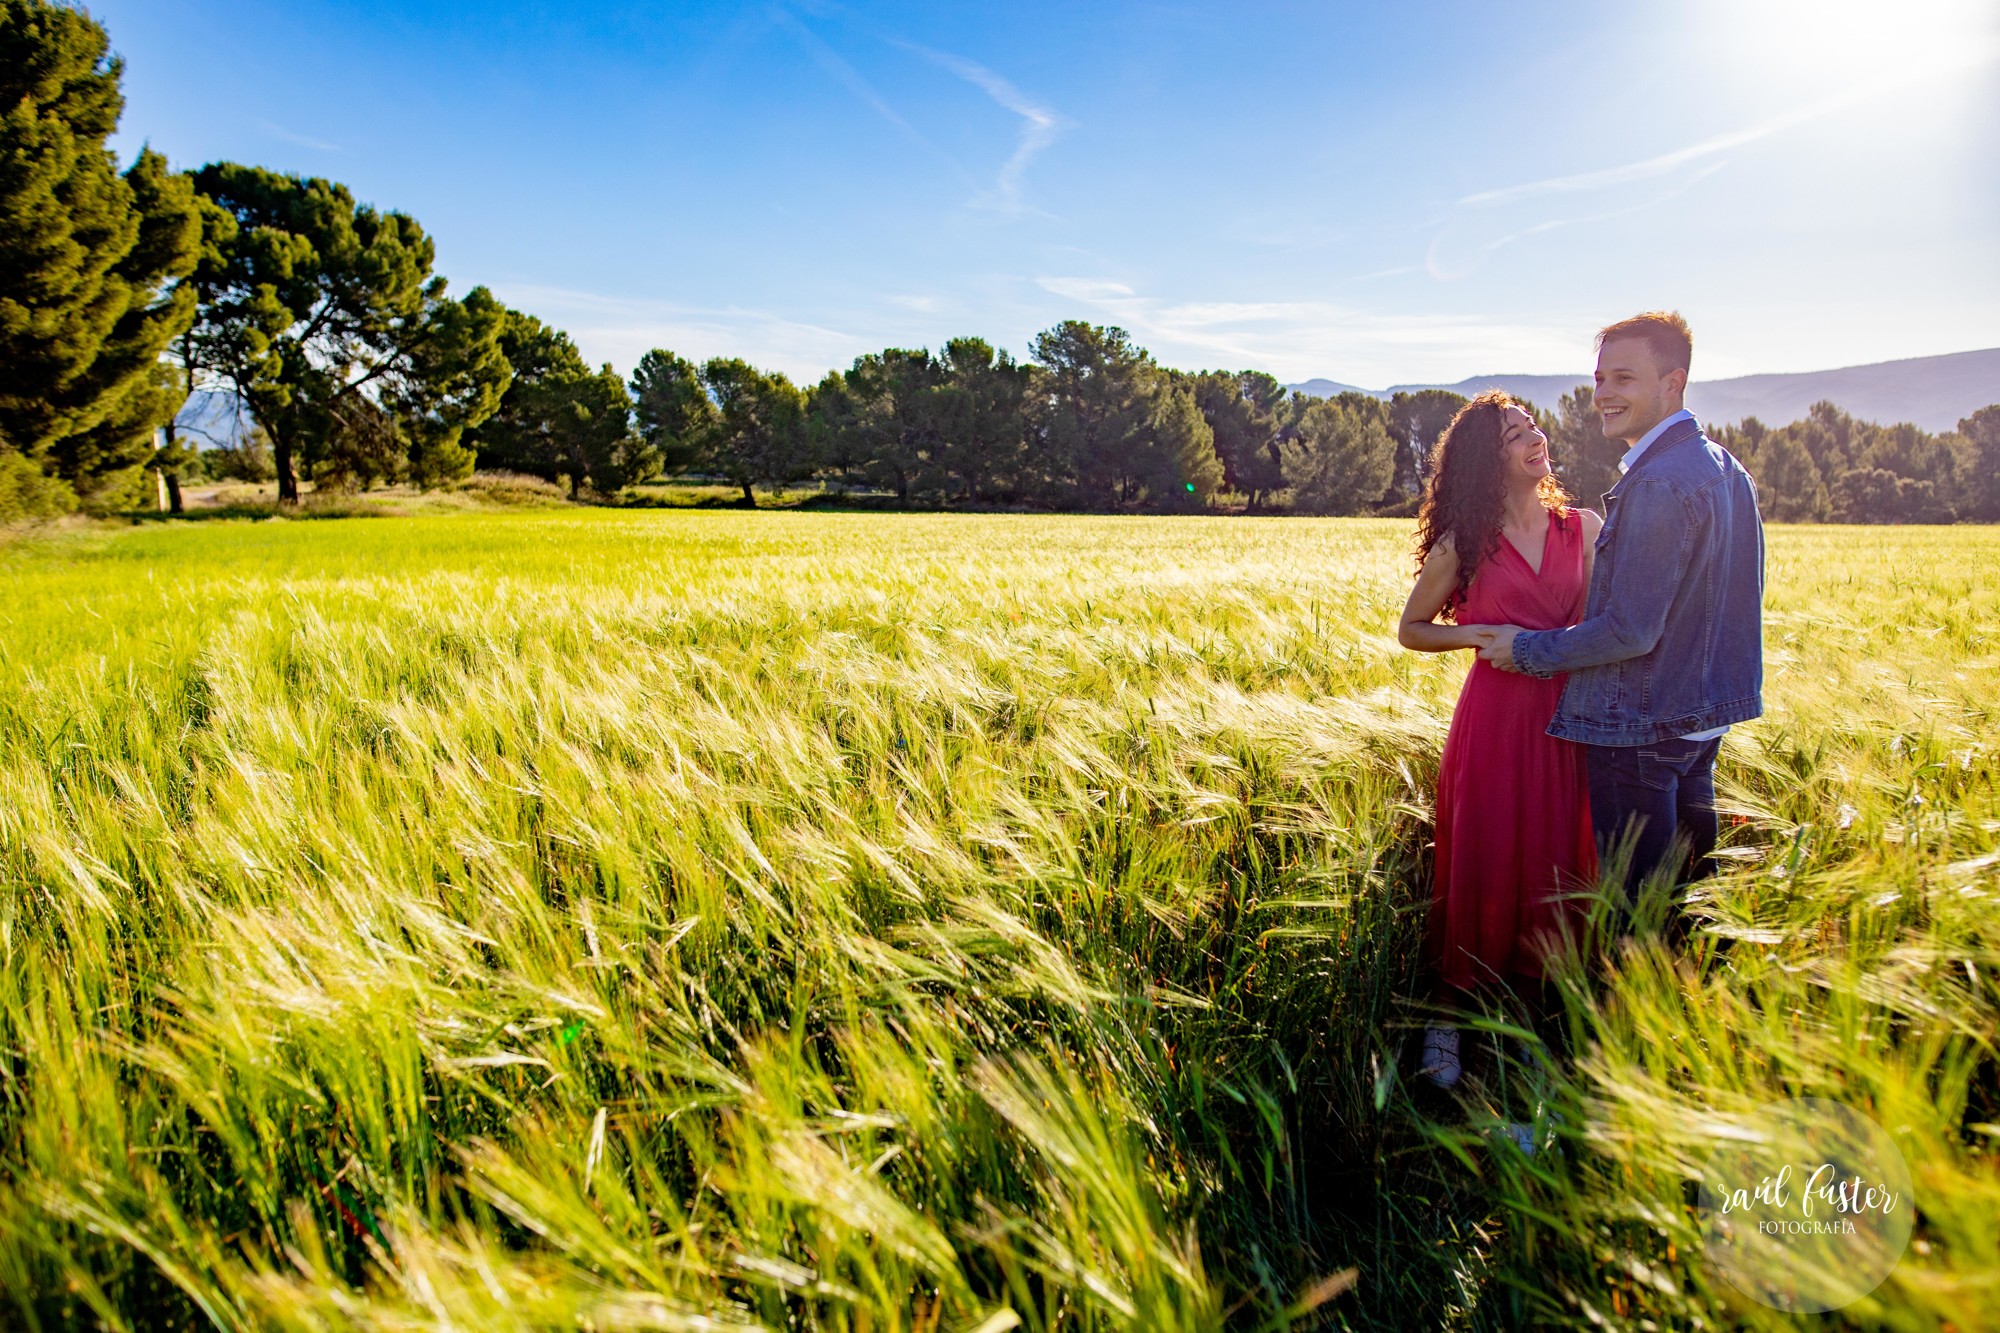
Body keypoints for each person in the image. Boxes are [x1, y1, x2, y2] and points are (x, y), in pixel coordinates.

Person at [1479, 312, 1764, 927]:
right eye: (1600, 378)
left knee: (1637, 917)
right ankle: (1691, 988)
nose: (1604, 393)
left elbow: (1632, 629)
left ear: (1673, 382)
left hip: (1640, 729)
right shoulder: (1725, 468)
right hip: (1700, 723)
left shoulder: (1659, 483)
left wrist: (1525, 649)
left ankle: (1638, 991)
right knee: (1690, 903)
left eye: (1624, 378)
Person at [1397, 391, 1600, 1090]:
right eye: (1516, 434)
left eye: (1533, 426)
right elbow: (1411, 628)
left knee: (1550, 866)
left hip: (1564, 718)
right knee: (1480, 861)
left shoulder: (1585, 529)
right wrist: (1480, 635)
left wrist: (1553, 649)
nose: (1535, 437)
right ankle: (1447, 1015)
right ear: (1490, 458)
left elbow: (1597, 627)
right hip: (1493, 722)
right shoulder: (1465, 543)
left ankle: (1529, 1021)